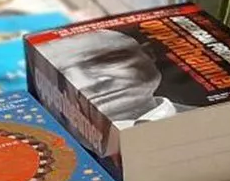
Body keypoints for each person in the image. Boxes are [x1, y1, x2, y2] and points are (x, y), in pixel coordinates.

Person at [39, 29, 183, 125]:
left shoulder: (202, 118)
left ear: (149, 54)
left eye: (106, 61)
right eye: (62, 75)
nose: (86, 83)